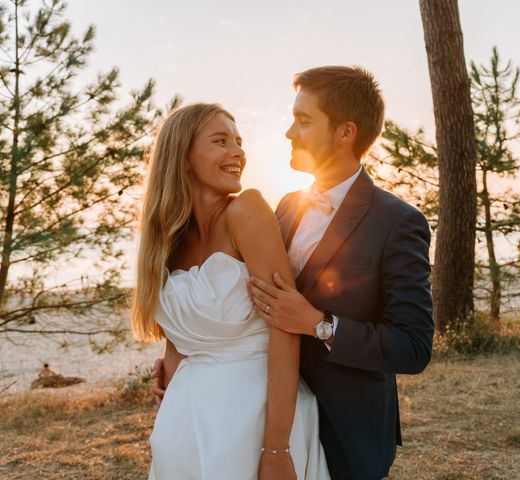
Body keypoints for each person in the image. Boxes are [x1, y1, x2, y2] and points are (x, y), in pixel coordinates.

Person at [154, 66, 434, 479]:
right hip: (252, 411)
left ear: (345, 133)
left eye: (303, 121)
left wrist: (319, 325)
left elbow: (413, 347)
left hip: (346, 426)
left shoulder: (397, 222)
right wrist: (189, 351)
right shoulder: (284, 206)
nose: (289, 132)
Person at [132, 103, 329, 480]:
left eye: (238, 141)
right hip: (186, 419)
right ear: (183, 157)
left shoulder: (247, 210)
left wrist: (276, 449)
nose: (237, 152)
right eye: (220, 141)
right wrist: (169, 405)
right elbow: (178, 343)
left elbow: (284, 329)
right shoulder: (165, 240)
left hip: (255, 418)